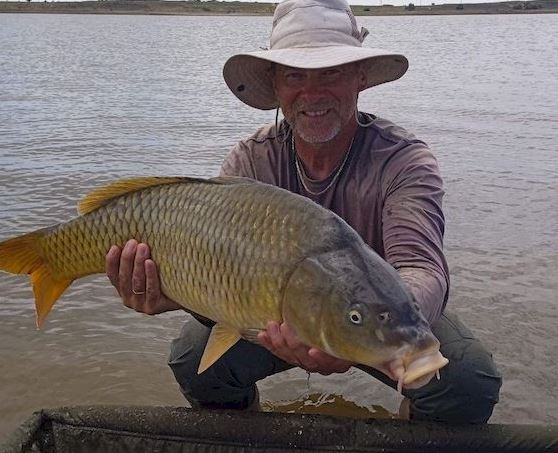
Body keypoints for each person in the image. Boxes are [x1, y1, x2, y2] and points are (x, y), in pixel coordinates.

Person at [105, 0, 502, 423]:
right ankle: (248, 436)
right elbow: (217, 286)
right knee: (193, 359)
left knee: (467, 382)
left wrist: (391, 329)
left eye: (331, 72)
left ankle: (412, 433)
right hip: (268, 317)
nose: (312, 93)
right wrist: (173, 292)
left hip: (370, 315)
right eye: (295, 74)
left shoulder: (404, 161)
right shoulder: (251, 161)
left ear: (360, 77)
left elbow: (422, 267)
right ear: (275, 84)